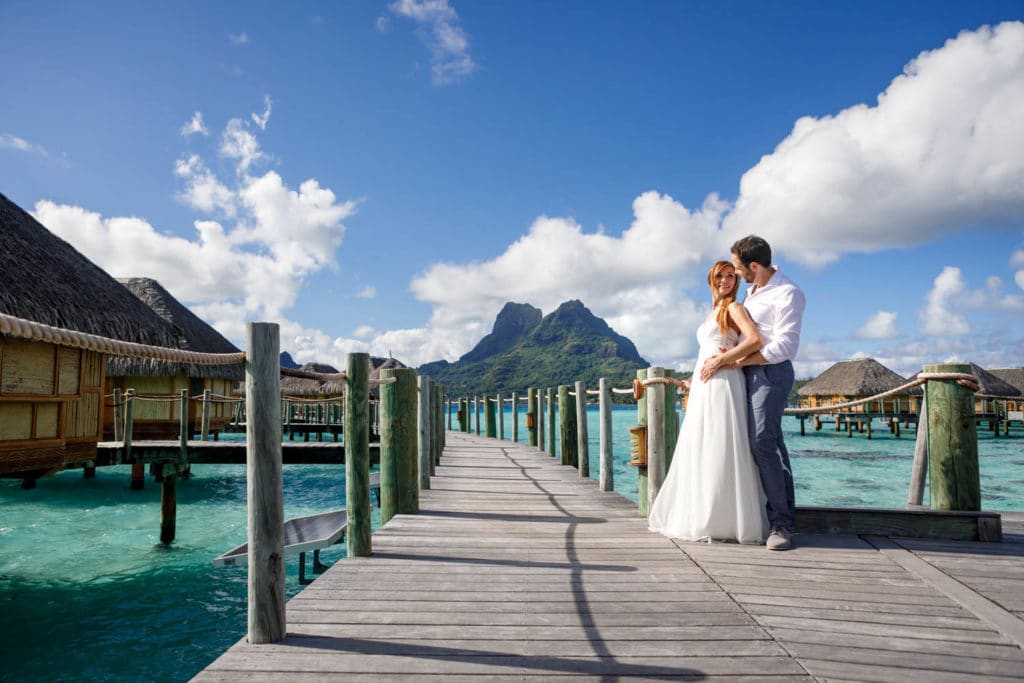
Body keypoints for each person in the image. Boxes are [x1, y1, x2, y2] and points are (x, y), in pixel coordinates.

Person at [648, 261, 769, 544]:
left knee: (721, 442)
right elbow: (707, 353)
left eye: (730, 276)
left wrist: (724, 361)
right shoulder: (712, 312)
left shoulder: (734, 308)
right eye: (719, 276)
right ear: (710, 280)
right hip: (704, 385)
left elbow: (755, 339)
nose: (725, 280)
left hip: (725, 382)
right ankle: (703, 514)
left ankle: (724, 519)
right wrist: (694, 381)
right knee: (701, 444)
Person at [706, 235, 805, 551]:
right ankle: (759, 515)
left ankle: (782, 525)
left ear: (753, 266)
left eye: (736, 267)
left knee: (763, 440)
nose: (734, 274)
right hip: (746, 373)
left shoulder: (788, 293)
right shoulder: (752, 292)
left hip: (771, 373)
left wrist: (731, 360)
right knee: (757, 442)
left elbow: (785, 347)